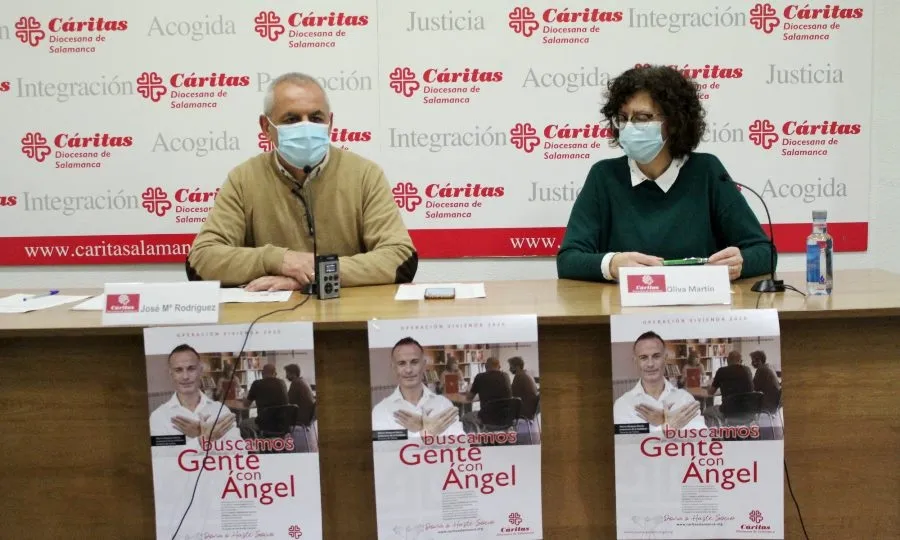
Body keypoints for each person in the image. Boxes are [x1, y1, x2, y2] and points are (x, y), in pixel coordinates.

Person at [187, 71, 418, 291]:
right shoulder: (243, 179)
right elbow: (200, 262)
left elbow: (401, 258)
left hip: (347, 319)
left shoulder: (365, 175)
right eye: (291, 119)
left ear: (330, 123)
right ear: (266, 127)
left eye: (316, 118)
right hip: (270, 324)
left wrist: (314, 274)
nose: (306, 127)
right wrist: (281, 260)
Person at [557, 65, 774, 283]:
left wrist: (740, 262)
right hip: (624, 308)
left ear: (672, 123)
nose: (629, 127)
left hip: (698, 308)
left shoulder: (707, 171)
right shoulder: (604, 176)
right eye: (623, 118)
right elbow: (568, 260)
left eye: (642, 118)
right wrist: (611, 265)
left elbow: (765, 252)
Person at [149, 344, 242, 446]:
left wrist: (199, 435)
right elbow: (163, 458)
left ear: (200, 371)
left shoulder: (221, 410)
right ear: (171, 374)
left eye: (191, 368)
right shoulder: (159, 417)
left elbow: (240, 452)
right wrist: (204, 437)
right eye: (178, 370)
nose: (185, 376)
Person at [371, 337, 464, 437]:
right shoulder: (381, 411)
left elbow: (462, 446)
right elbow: (385, 451)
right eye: (401, 363)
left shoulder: (444, 405)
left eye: (414, 362)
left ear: (423, 365)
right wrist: (426, 432)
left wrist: (421, 429)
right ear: (394, 368)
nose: (408, 370)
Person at [613, 331, 705, 431]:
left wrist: (662, 424)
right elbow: (628, 445)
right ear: (635, 361)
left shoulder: (685, 399)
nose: (650, 364)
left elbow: (703, 440)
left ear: (665, 358)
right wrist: (668, 425)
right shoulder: (623, 404)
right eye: (643, 358)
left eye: (656, 356)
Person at [462, 357, 513, 432]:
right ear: (499, 366)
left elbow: (469, 398)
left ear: (485, 366)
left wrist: (467, 391)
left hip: (488, 419)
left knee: (465, 418)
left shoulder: (480, 377)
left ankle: (476, 440)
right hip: (506, 418)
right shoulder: (506, 376)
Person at [703, 351, 755, 423]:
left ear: (727, 360)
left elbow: (710, 392)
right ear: (741, 361)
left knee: (706, 412)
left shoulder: (721, 371)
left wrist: (709, 387)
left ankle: (717, 432)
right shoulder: (747, 370)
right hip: (748, 411)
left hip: (729, 411)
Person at [239, 363, 289, 438]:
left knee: (242, 424)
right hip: (283, 424)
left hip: (265, 424)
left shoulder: (257, 384)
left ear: (262, 373)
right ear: (274, 373)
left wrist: (244, 398)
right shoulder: (282, 383)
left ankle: (254, 447)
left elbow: (246, 404)